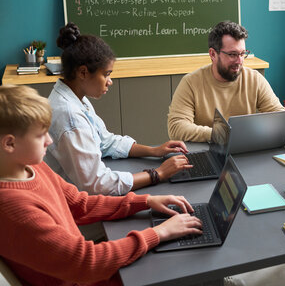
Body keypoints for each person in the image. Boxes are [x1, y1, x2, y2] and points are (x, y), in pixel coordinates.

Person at [0, 85, 203, 285]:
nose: (49, 141)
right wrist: (159, 233)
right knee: (187, 263)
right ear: (10, 144)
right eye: (40, 135)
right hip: (88, 277)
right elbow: (87, 262)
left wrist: (146, 201)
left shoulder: (32, 167)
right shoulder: (13, 207)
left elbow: (80, 204)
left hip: (88, 272)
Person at [45, 22, 192, 196]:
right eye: (106, 74)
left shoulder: (75, 99)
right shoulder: (69, 116)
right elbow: (97, 184)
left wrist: (155, 151)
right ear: (83, 73)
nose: (110, 81)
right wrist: (158, 174)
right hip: (73, 206)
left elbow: (105, 142)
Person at [167, 20, 285, 142]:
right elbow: (176, 128)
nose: (239, 61)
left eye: (242, 54)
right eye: (232, 54)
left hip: (244, 147)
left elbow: (280, 117)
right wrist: (221, 135)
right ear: (213, 54)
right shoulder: (190, 83)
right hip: (207, 149)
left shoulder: (254, 79)